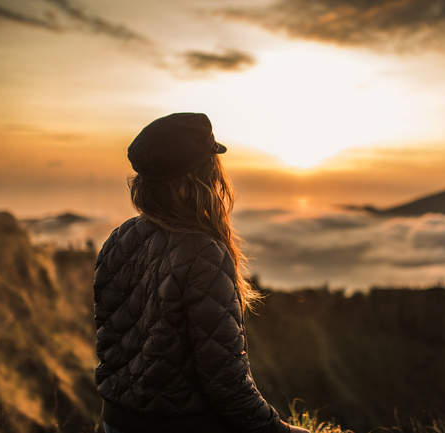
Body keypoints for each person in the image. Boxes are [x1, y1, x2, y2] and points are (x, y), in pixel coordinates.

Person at [93, 113, 310, 433]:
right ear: (206, 176)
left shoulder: (119, 239)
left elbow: (112, 348)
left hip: (117, 422)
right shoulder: (202, 253)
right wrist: (281, 431)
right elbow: (226, 383)